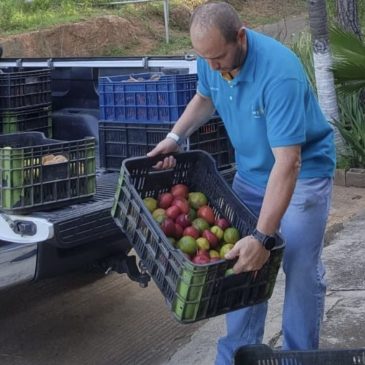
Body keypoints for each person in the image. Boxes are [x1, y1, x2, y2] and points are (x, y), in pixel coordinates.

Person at [147, 2, 335, 364]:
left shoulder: (279, 74)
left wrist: (264, 237)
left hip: (302, 176)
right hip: (250, 174)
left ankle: (300, 357)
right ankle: (237, 355)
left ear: (241, 37)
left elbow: (288, 162)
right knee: (240, 264)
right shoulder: (211, 55)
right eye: (205, 58)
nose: (213, 66)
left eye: (218, 57)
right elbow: (205, 96)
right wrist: (175, 136)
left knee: (298, 268)